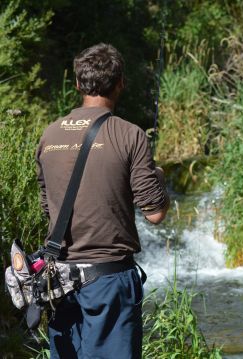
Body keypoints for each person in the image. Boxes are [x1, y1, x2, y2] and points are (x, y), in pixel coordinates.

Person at [36, 43, 169, 358]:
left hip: (59, 280)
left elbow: (48, 208)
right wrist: (158, 177)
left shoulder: (49, 134)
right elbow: (155, 214)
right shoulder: (130, 135)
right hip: (108, 281)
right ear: (120, 83)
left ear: (78, 84)